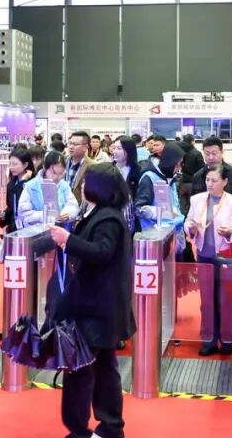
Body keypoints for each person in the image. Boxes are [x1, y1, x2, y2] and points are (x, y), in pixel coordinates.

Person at [49, 162, 135, 438]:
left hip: (96, 307)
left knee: (83, 370)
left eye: (86, 182)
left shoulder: (108, 218)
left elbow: (101, 251)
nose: (82, 186)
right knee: (103, 369)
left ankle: (83, 428)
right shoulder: (102, 213)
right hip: (99, 306)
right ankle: (109, 427)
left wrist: (68, 240)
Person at [185, 165, 232, 355]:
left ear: (225, 182)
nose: (210, 184)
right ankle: (209, 339)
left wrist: (231, 232)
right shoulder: (197, 200)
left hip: (226, 256)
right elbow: (188, 222)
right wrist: (191, 229)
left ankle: (227, 339)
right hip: (204, 255)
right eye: (207, 180)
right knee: (206, 300)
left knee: (226, 300)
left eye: (214, 180)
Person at [135, 144, 185, 246]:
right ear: (170, 162)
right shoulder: (149, 177)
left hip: (171, 233)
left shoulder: (171, 177)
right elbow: (139, 208)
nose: (179, 168)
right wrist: (161, 212)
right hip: (154, 237)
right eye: (178, 164)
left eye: (181, 164)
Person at [18, 152, 79, 229]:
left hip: (61, 231)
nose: (57, 177)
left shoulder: (64, 185)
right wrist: (47, 216)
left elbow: (73, 205)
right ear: (45, 168)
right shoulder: (31, 186)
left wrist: (67, 214)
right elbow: (24, 214)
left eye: (61, 173)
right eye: (53, 173)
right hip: (37, 232)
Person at [0, 147, 34, 243]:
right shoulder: (11, 184)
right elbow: (11, 207)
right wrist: (3, 215)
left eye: (15, 164)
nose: (11, 167)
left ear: (25, 164)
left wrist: (23, 181)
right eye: (10, 164)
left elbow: (21, 201)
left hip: (29, 228)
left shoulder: (32, 183)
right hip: (13, 228)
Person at [111, 136, 143, 231]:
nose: (115, 151)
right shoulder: (108, 169)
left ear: (129, 150)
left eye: (119, 148)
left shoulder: (138, 171)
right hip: (111, 215)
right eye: (114, 148)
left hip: (131, 218)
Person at [66, 131, 94, 198]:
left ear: (85, 147)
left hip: (80, 203)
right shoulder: (62, 161)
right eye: (70, 143)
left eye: (75, 144)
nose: (71, 147)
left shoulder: (93, 166)